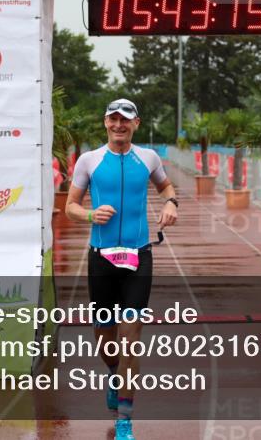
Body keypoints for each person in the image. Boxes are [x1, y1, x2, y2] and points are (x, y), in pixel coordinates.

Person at [65, 98, 177, 440]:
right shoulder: (89, 161)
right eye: (113, 120)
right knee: (105, 336)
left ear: (136, 124)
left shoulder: (149, 158)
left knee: (130, 338)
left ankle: (125, 417)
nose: (118, 125)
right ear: (105, 123)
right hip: (101, 258)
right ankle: (114, 375)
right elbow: (70, 206)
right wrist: (88, 215)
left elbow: (166, 187)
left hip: (138, 256)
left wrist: (171, 202)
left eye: (125, 120)